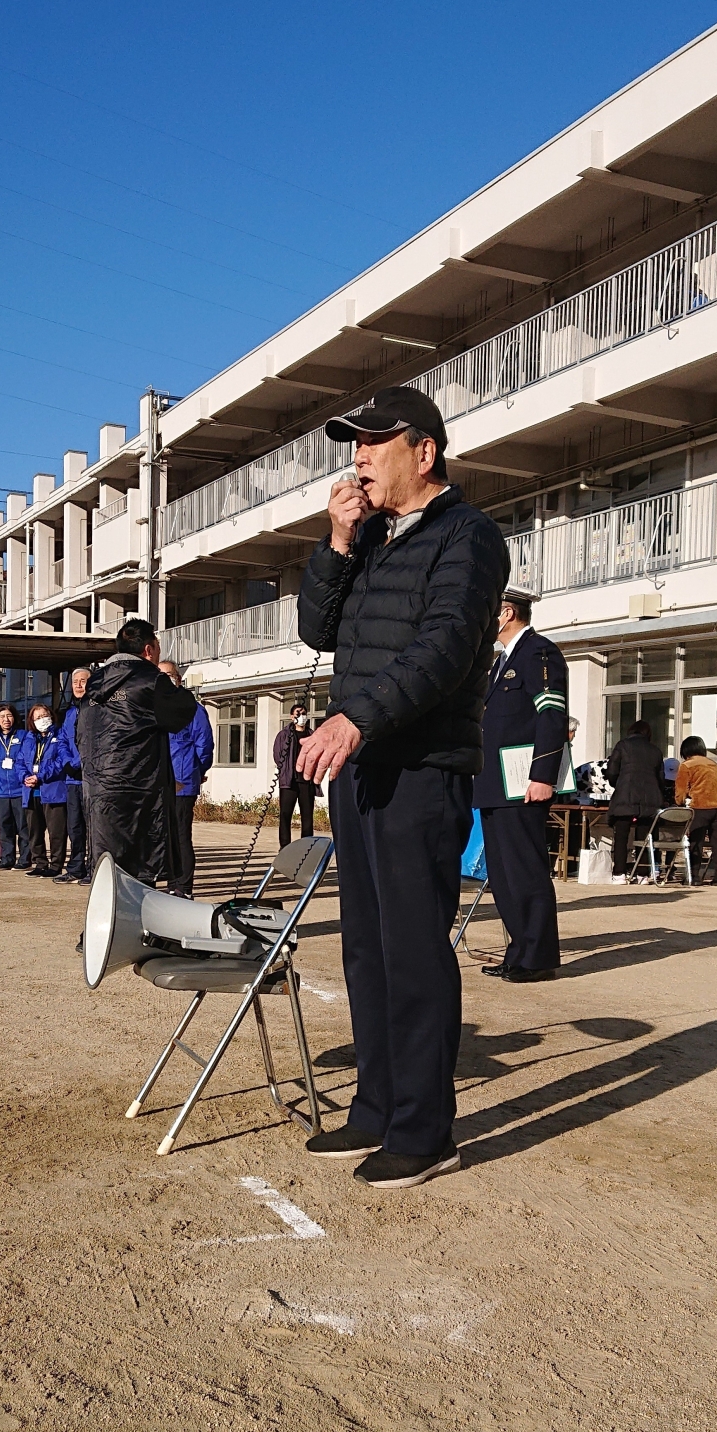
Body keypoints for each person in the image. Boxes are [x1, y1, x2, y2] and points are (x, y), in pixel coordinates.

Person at [296, 383, 508, 1191]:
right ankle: (377, 1105)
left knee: (415, 946)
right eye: (353, 443)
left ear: (424, 452)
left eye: (374, 442)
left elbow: (448, 644)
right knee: (364, 942)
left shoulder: (470, 535)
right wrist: (338, 541)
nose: (359, 457)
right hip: (363, 768)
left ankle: (426, 1128)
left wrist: (358, 720)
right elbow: (319, 629)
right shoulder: (374, 536)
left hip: (420, 764)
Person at [473, 590, 568, 981]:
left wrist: (543, 776)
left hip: (523, 783)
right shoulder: (500, 662)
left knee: (525, 872)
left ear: (506, 613)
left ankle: (538, 957)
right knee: (503, 875)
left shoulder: (539, 653)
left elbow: (551, 716)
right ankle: (518, 951)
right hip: (496, 784)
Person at [77, 619, 199, 883]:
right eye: (157, 646)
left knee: (107, 867)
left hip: (98, 786)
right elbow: (182, 712)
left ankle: (109, 921)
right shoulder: (151, 680)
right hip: (139, 789)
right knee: (141, 868)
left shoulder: (94, 684)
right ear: (148, 649)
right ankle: (137, 922)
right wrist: (176, 685)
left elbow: (81, 733)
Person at [159, 659, 213, 897]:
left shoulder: (193, 709)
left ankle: (184, 886)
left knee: (181, 835)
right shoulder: (153, 708)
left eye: (169, 675)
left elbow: (205, 746)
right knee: (164, 836)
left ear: (178, 679)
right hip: (157, 783)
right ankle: (171, 883)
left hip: (181, 781)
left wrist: (196, 771)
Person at [606, 719, 666, 882]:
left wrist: (619, 784)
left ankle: (619, 873)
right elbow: (661, 778)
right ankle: (642, 874)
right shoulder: (656, 751)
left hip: (625, 795)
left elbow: (611, 771)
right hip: (650, 799)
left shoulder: (622, 745)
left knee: (621, 837)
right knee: (645, 838)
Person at [20, 702, 69, 877]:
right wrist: (25, 777)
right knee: (34, 831)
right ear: (31, 721)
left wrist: (40, 776)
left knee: (56, 832)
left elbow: (60, 762)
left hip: (53, 790)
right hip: (31, 791)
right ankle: (40, 862)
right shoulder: (28, 738)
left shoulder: (59, 735)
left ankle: (56, 865)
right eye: (37, 717)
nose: (42, 720)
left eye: (44, 715)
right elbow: (20, 761)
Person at [51, 668, 90, 884]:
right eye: (75, 681)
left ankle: (94, 868)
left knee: (93, 828)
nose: (78, 685)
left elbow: (95, 742)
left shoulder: (97, 709)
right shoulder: (70, 712)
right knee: (74, 826)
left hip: (91, 779)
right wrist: (68, 763)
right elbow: (64, 741)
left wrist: (78, 763)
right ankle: (76, 868)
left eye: (83, 681)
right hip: (72, 780)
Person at [674, 736, 717, 884]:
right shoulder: (714, 764)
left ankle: (694, 876)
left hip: (700, 805)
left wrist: (679, 802)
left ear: (686, 751)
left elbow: (681, 790)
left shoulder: (686, 765)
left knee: (696, 841)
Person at [0, 703, 30, 870]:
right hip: (0, 790)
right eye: (2, 717)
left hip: (19, 789)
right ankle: (7, 858)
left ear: (14, 717)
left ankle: (25, 859)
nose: (6, 720)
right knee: (4, 826)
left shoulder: (24, 736)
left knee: (23, 826)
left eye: (9, 716)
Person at [273, 701, 318, 850]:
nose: (302, 717)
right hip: (289, 781)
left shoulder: (312, 735)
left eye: (304, 714)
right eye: (299, 714)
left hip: (306, 781)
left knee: (307, 817)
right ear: (292, 716)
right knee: (285, 815)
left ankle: (306, 847)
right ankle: (284, 847)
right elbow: (277, 755)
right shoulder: (284, 735)